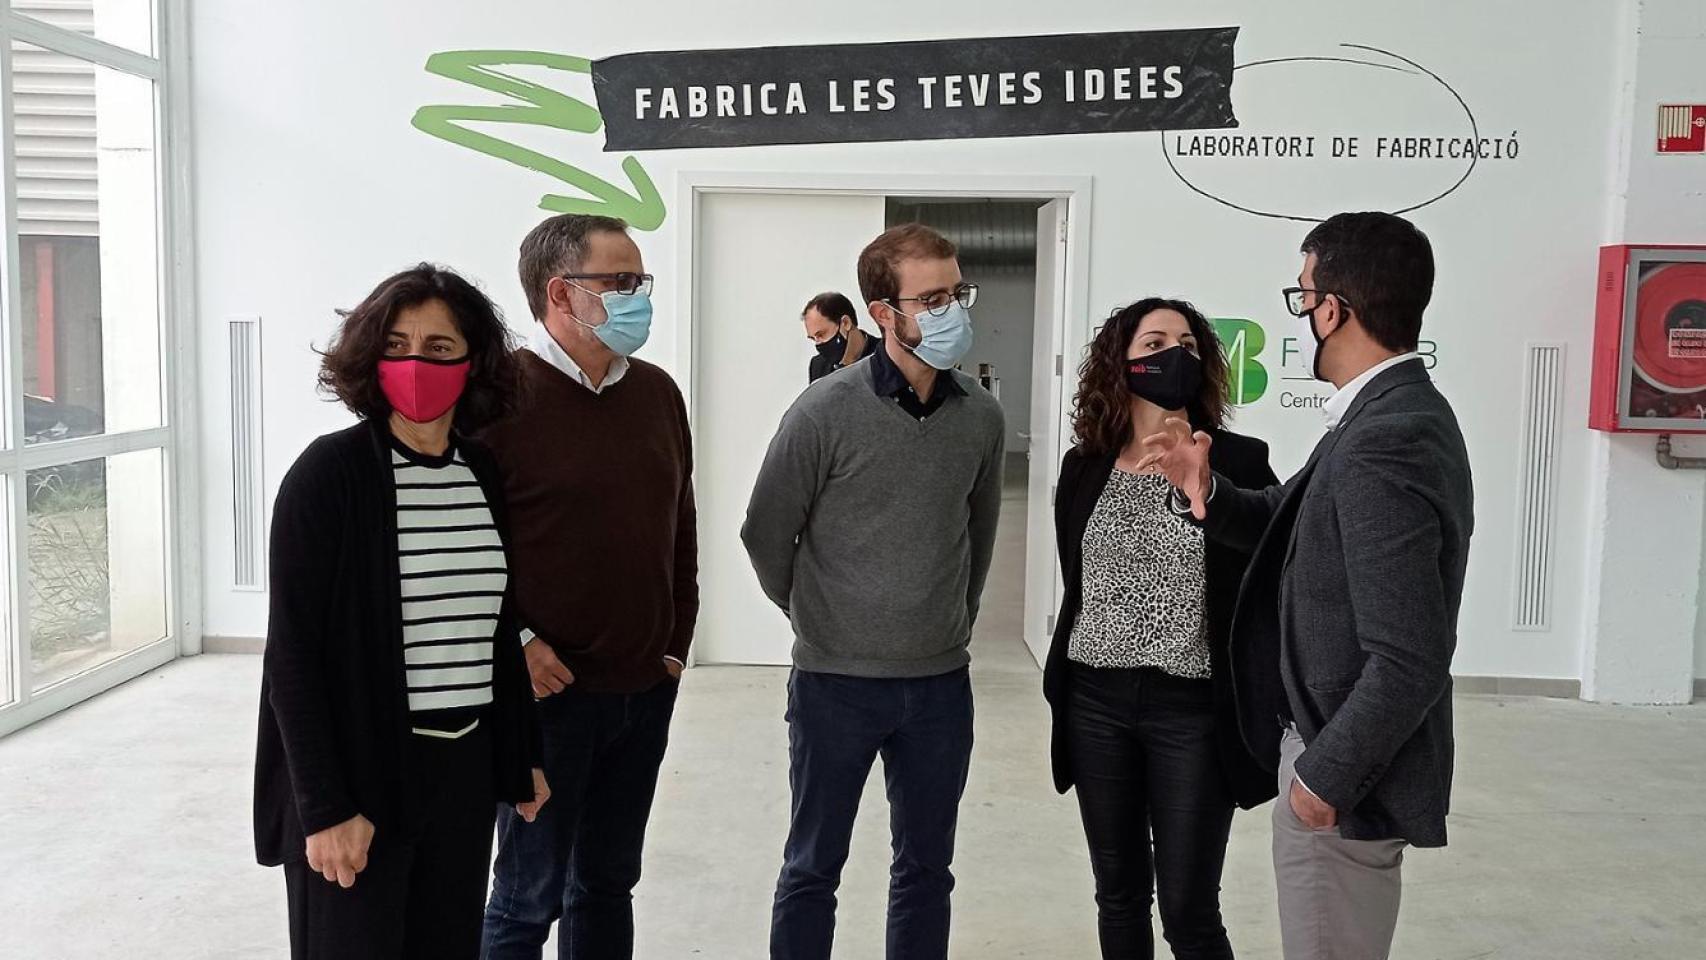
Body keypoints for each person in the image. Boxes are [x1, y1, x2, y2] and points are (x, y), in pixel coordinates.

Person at [1139, 212, 1474, 960]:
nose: (1303, 314)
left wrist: (1323, 782)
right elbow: (1285, 519)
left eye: (1303, 295)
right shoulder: (1381, 415)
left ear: (1333, 309)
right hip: (1326, 752)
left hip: (1338, 772)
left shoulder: (1386, 438)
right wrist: (1205, 490)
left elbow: (1411, 657)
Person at [253, 264, 549, 960]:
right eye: (397, 345)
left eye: (440, 348)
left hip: (462, 775)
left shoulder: (481, 473)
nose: (417, 363)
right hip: (361, 777)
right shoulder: (329, 475)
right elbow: (291, 658)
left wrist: (521, 756)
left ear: (473, 363)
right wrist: (325, 807)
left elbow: (492, 627)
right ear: (370, 356)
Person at [742, 223, 1006, 960]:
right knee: (812, 867)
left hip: (939, 684)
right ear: (883, 312)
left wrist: (952, 621)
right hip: (835, 683)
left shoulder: (981, 417)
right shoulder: (823, 411)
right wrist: (816, 616)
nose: (952, 311)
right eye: (932, 299)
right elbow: (765, 533)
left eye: (957, 293)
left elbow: (979, 535)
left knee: (926, 871)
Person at [479, 214, 698, 960]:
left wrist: (675, 642)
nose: (640, 297)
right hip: (548, 698)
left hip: (644, 688)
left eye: (641, 280)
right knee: (526, 897)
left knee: (606, 884)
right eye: (621, 281)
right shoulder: (497, 398)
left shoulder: (657, 393)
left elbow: (680, 522)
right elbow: (467, 543)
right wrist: (515, 642)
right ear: (560, 293)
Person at [1044, 298, 1279, 960]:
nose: (1174, 354)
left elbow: (1275, 551)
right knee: (1118, 896)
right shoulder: (1085, 465)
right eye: (1154, 343)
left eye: (1188, 344)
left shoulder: (1239, 460)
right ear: (1120, 362)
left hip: (1193, 711)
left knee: (1188, 911)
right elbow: (1078, 577)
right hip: (1095, 703)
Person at [803, 291, 879, 382]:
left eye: (821, 334)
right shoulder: (818, 366)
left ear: (846, 323)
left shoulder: (885, 353)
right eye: (813, 338)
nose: (818, 344)